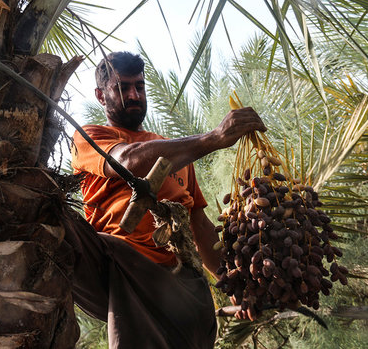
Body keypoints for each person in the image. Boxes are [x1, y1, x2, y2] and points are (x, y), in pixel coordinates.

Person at [64, 51, 266, 348]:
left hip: (177, 284)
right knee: (56, 217)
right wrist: (213, 139)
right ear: (100, 95)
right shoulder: (90, 137)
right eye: (123, 87)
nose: (134, 95)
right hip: (120, 268)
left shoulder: (178, 155)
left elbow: (199, 224)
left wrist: (235, 282)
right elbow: (128, 160)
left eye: (140, 86)